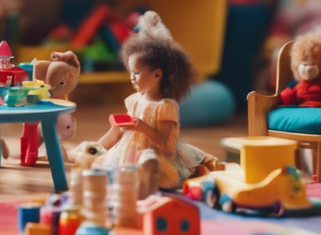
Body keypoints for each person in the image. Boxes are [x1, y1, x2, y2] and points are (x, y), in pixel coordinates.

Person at [77, 12, 220, 199]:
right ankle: (131, 178)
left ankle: (145, 182)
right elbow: (118, 131)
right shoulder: (136, 99)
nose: (132, 78)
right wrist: (99, 146)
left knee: (154, 171)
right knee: (103, 164)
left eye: (136, 72)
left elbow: (162, 140)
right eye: (130, 72)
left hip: (156, 153)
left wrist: (140, 126)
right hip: (130, 149)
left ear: (157, 75)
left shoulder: (165, 106)